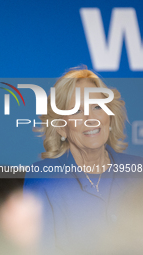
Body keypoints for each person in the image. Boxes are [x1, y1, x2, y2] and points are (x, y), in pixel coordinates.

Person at [23, 67, 143, 255]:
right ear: (61, 127)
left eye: (97, 107)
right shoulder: (42, 179)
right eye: (77, 111)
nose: (91, 119)